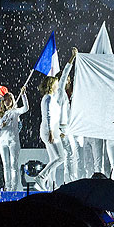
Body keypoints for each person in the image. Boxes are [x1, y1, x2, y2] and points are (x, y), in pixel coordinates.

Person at [35, 52, 75, 191]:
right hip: (50, 130)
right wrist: (72, 58)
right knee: (61, 158)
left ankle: (50, 185)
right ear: (53, 84)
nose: (61, 83)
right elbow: (48, 116)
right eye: (57, 83)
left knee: (54, 159)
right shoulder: (50, 98)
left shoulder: (53, 96)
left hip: (54, 130)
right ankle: (41, 178)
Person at [0, 87, 29, 191]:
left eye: (9, 99)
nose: (7, 101)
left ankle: (14, 188)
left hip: (13, 141)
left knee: (13, 164)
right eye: (6, 99)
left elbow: (26, 108)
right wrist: (0, 126)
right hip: (2, 141)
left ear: (12, 100)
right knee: (6, 165)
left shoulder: (15, 111)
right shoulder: (0, 113)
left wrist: (23, 95)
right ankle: (7, 186)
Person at [58, 48, 81, 184]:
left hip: (70, 128)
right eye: (67, 78)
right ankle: (69, 182)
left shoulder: (69, 94)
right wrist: (72, 58)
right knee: (68, 156)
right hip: (63, 128)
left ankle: (71, 181)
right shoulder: (60, 91)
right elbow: (66, 72)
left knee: (71, 156)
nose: (69, 80)